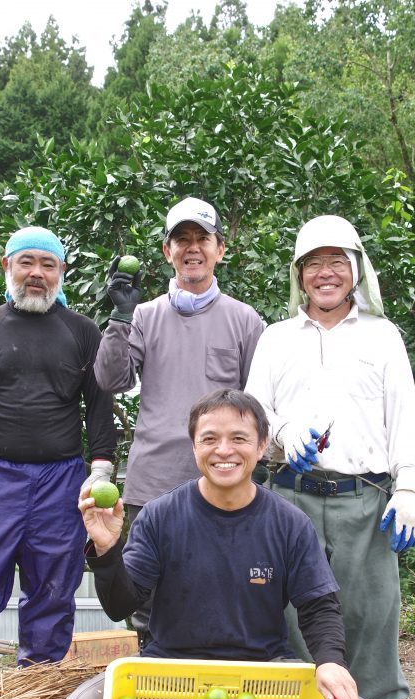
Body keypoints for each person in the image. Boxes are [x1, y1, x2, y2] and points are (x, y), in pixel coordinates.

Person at [61, 389, 377, 699]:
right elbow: (121, 605)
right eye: (209, 439)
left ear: (261, 447)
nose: (223, 450)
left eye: (239, 438)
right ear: (194, 447)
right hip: (170, 668)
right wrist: (106, 549)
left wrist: (330, 662)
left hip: (265, 672)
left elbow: (318, 605)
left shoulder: (289, 523)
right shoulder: (160, 516)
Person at [244, 214, 415, 699]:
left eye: (337, 262)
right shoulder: (275, 339)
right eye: (314, 265)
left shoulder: (382, 335)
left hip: (365, 495)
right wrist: (282, 433)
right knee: (291, 611)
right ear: (299, 276)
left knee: (371, 608)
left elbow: (405, 418)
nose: (326, 274)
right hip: (291, 495)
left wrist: (410, 489)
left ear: (355, 270)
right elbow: (254, 412)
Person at [0, 226, 118, 690]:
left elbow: (100, 405)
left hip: (63, 479)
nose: (37, 273)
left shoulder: (83, 332)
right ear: (7, 267)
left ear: (61, 273)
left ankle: (35, 698)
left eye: (47, 265)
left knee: (53, 591)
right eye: (27, 262)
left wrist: (102, 468)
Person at [95, 197, 264, 645]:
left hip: (225, 485)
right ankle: (154, 686)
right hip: (152, 485)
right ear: (167, 251)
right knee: (146, 602)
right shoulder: (145, 315)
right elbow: (111, 379)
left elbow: (261, 405)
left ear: (220, 249)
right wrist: (119, 315)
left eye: (201, 239)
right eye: (181, 239)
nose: (192, 248)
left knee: (224, 595)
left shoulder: (245, 320)